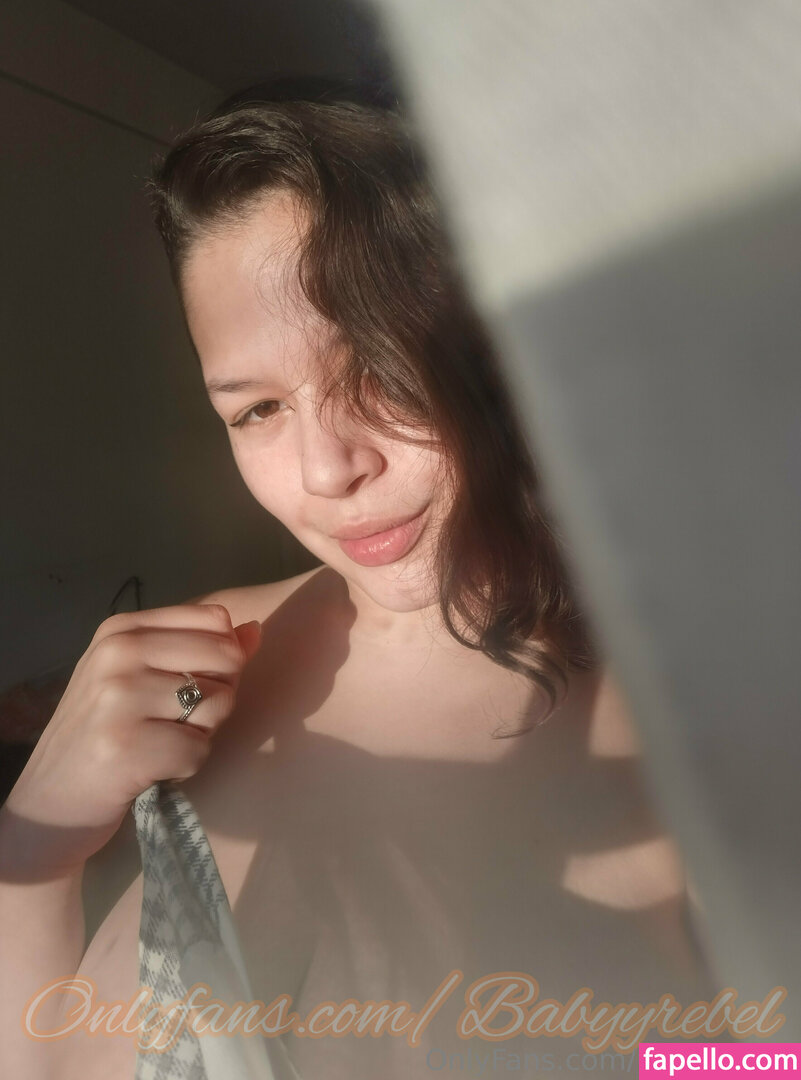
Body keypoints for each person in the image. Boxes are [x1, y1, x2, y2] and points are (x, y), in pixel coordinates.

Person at [0, 82, 717, 1079]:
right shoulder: (190, 665)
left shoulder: (705, 699)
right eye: (256, 410)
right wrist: (35, 853)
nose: (328, 470)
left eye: (376, 370)